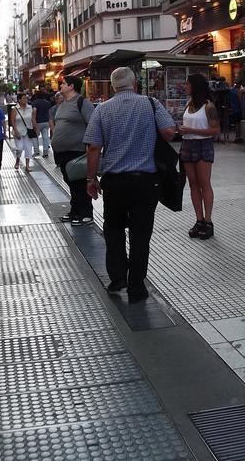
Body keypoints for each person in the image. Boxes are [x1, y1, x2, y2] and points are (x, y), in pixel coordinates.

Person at [84, 66, 176, 303]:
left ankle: (117, 279)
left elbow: (93, 147)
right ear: (135, 84)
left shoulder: (102, 110)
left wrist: (91, 178)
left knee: (113, 230)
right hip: (146, 181)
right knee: (140, 233)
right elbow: (168, 132)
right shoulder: (151, 103)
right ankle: (137, 286)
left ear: (113, 87)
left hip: (114, 182)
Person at [178, 73, 220, 240]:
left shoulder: (208, 106)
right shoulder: (189, 104)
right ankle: (199, 219)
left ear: (195, 86)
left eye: (187, 84)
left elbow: (215, 130)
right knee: (193, 184)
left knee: (204, 183)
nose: (185, 86)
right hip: (187, 144)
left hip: (203, 145)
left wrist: (191, 131)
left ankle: (208, 221)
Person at [52, 76, 95, 224]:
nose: (60, 85)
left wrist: (90, 146)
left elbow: (93, 124)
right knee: (70, 182)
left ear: (71, 86)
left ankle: (86, 213)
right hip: (62, 152)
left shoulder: (83, 103)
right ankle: (75, 211)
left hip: (77, 151)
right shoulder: (63, 103)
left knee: (79, 183)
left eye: (63, 83)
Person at [10, 92, 38, 173]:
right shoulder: (15, 109)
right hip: (18, 131)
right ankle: (18, 159)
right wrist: (16, 131)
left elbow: (33, 119)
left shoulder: (30, 108)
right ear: (19, 100)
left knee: (28, 148)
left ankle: (27, 165)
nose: (25, 100)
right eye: (23, 98)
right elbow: (13, 121)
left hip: (28, 131)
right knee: (19, 148)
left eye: (26, 98)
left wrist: (36, 128)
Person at [31, 89, 51, 156]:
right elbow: (49, 113)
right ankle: (45, 151)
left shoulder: (34, 103)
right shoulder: (47, 103)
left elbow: (34, 112)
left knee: (35, 137)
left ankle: (36, 151)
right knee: (45, 137)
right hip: (46, 122)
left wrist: (34, 122)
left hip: (38, 122)